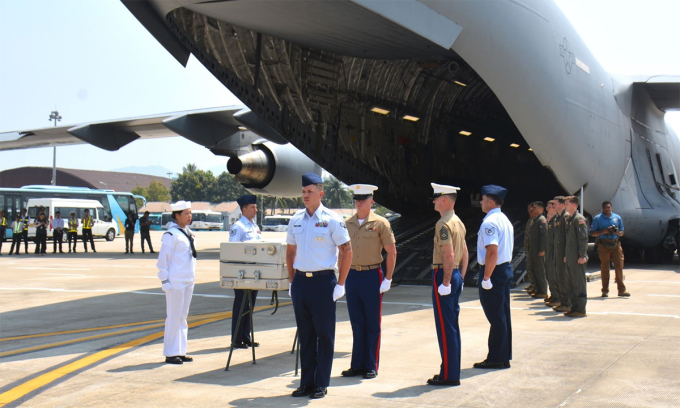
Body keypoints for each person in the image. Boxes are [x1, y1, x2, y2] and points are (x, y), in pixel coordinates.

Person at [286, 172, 352, 399]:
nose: (305, 195)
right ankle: (306, 382)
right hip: (302, 282)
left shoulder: (333, 219)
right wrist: (292, 281)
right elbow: (290, 253)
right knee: (305, 336)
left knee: (324, 335)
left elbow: (347, 251)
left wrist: (341, 283)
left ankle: (321, 383)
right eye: (303, 192)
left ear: (320, 193)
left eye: (310, 192)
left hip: (324, 282)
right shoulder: (295, 220)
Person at [341, 184, 397, 380]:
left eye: (363, 199)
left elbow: (392, 251)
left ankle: (371, 365)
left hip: (372, 275)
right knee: (357, 322)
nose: (359, 202)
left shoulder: (381, 223)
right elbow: (341, 252)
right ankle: (357, 365)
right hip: (352, 276)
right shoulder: (347, 223)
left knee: (372, 323)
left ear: (372, 201)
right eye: (356, 198)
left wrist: (388, 278)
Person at [425, 183, 468, 386]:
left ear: (444, 199)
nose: (433, 201)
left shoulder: (443, 224)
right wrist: (460, 276)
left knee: (445, 328)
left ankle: (450, 375)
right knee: (451, 327)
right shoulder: (458, 222)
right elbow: (465, 252)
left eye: (435, 198)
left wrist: (446, 281)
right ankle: (448, 370)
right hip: (455, 273)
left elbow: (448, 254)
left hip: (444, 273)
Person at [475, 184, 514, 369]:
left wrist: (486, 278)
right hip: (504, 270)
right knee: (502, 315)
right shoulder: (504, 219)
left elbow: (492, 252)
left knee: (496, 317)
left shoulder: (489, 222)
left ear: (490, 201)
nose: (481, 202)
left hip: (494, 272)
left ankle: (496, 358)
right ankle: (502, 356)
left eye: (482, 199)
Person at [157, 200, 197, 365]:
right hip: (176, 281)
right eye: (186, 213)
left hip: (188, 280)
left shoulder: (186, 232)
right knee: (173, 316)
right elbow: (163, 260)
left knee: (183, 316)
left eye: (190, 213)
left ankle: (180, 350)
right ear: (177, 215)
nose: (189, 216)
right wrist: (164, 279)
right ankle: (170, 353)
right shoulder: (171, 235)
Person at [229, 194, 262, 349]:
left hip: (254, 271)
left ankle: (246, 336)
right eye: (252, 207)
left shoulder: (254, 226)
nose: (256, 209)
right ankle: (236, 338)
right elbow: (234, 251)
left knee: (250, 304)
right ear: (244, 209)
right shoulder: (238, 227)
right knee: (241, 304)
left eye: (256, 207)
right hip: (242, 272)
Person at [590, 201, 629, 297]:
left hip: (615, 244)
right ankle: (605, 290)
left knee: (619, 266)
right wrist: (603, 231)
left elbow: (622, 232)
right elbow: (592, 233)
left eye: (609, 207)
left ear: (611, 207)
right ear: (603, 208)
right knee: (605, 267)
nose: (607, 209)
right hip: (603, 245)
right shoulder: (598, 218)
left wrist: (617, 232)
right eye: (605, 208)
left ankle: (621, 290)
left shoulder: (617, 218)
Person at [563, 196, 589, 318]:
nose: (565, 206)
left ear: (574, 205)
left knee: (579, 283)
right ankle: (574, 307)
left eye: (567, 204)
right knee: (570, 283)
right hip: (570, 257)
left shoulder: (579, 219)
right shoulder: (570, 219)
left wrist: (582, 255)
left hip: (577, 258)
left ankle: (581, 309)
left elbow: (583, 239)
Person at [552, 196, 572, 314]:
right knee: (558, 277)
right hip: (557, 253)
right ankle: (562, 301)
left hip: (563, 254)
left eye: (555, 204)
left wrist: (565, 254)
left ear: (562, 205)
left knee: (564, 278)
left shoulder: (565, 218)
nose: (553, 206)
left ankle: (567, 303)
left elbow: (567, 238)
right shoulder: (558, 218)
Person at [527, 202, 548, 299]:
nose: (532, 209)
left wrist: (542, 249)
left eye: (535, 208)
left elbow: (544, 236)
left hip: (539, 251)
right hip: (533, 250)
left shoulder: (541, 220)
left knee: (540, 271)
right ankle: (538, 289)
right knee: (535, 270)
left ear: (540, 209)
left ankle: (543, 291)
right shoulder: (534, 220)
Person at [544, 201, 561, 307]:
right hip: (549, 250)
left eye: (550, 207)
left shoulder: (556, 221)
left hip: (554, 251)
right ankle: (553, 295)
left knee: (554, 275)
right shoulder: (549, 221)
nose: (547, 209)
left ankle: (558, 297)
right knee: (549, 274)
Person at [524, 203, 536, 295]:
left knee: (538, 270)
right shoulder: (531, 220)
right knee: (530, 267)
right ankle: (533, 284)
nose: (529, 211)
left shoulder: (540, 220)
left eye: (531, 209)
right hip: (529, 247)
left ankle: (539, 288)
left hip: (534, 249)